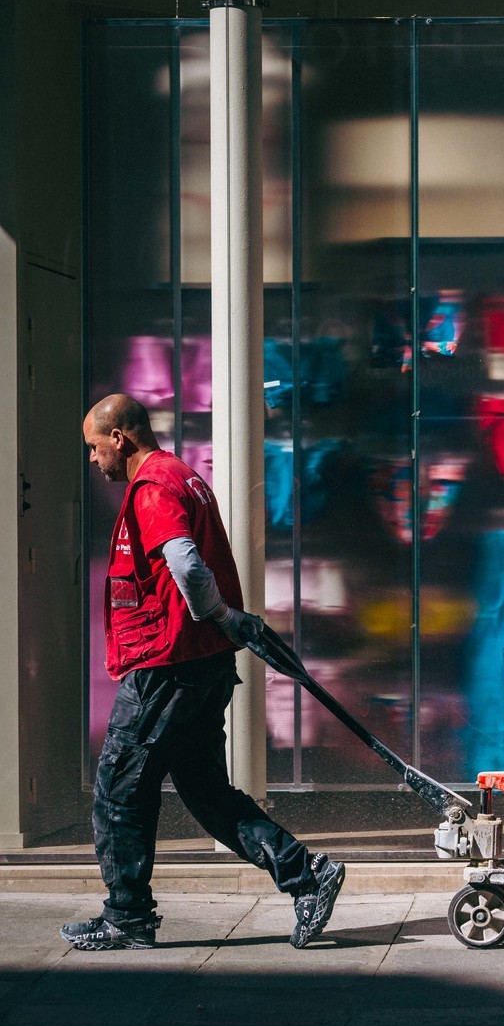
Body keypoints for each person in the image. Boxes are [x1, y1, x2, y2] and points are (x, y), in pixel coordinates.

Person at [63, 394, 345, 951]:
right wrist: (225, 625)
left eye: (95, 448)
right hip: (199, 662)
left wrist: (219, 614)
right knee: (207, 792)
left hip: (168, 664)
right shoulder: (183, 476)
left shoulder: (153, 488)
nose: (95, 462)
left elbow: (187, 564)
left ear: (119, 437)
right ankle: (307, 876)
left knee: (117, 790)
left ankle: (128, 917)